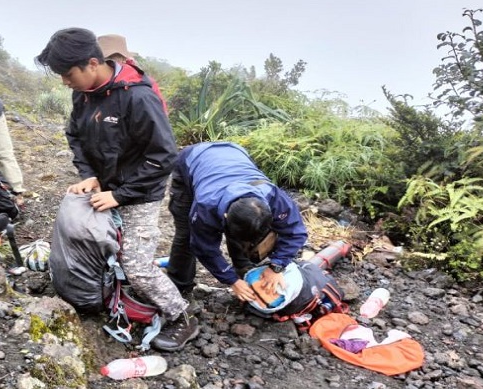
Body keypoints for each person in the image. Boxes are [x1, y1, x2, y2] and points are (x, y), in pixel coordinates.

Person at [35, 27, 198, 352]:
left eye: (68, 74)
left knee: (137, 266)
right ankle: (113, 292)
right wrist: (90, 175)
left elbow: (164, 156)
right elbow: (75, 135)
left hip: (140, 191)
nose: (65, 82)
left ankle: (181, 315)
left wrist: (120, 195)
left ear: (93, 63)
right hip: (105, 185)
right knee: (101, 243)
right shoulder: (83, 93)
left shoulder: (137, 97)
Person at [165, 141, 308, 304]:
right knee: (186, 235)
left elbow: (295, 232)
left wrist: (276, 266)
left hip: (234, 153)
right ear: (225, 216)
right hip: (192, 160)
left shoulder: (273, 197)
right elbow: (203, 247)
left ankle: (244, 269)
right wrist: (230, 280)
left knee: (245, 227)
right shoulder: (205, 206)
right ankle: (179, 287)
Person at [97, 34, 168, 115]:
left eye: (111, 60)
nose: (108, 65)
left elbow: (160, 114)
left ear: (123, 59)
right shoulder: (91, 83)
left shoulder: (144, 83)